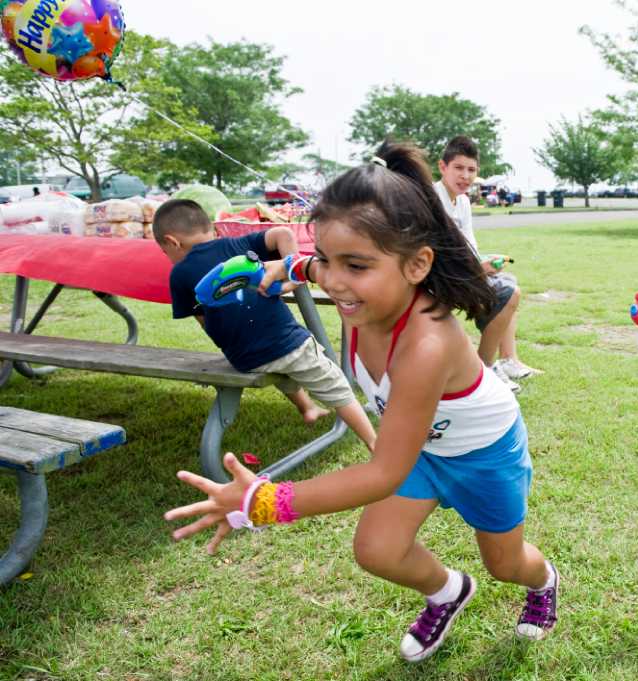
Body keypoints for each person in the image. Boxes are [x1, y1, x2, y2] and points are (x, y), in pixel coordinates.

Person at [163, 143, 560, 663]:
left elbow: (381, 474)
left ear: (418, 265)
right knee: (376, 549)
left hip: (483, 455)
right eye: (328, 260)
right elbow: (321, 267)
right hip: (422, 448)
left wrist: (262, 501)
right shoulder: (353, 288)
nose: (337, 281)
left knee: (506, 565)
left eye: (356, 265)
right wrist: (290, 268)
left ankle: (544, 583)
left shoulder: (427, 345)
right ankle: (447, 591)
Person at [152, 199, 376, 450]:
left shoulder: (179, 274)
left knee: (281, 370)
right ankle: (372, 442)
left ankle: (307, 407)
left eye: (164, 252)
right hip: (290, 345)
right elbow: (283, 233)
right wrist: (295, 271)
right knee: (336, 387)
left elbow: (203, 321)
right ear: (212, 228)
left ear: (172, 242)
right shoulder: (237, 245)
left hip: (245, 359)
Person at [433, 136, 541, 391]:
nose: (465, 176)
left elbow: (468, 247)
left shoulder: (463, 201)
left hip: (459, 272)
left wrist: (484, 261)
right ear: (442, 167)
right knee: (508, 291)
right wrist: (477, 268)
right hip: (438, 278)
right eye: (458, 168)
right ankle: (484, 369)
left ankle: (509, 360)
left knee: (508, 282)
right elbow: (437, 255)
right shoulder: (432, 200)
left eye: (471, 170)